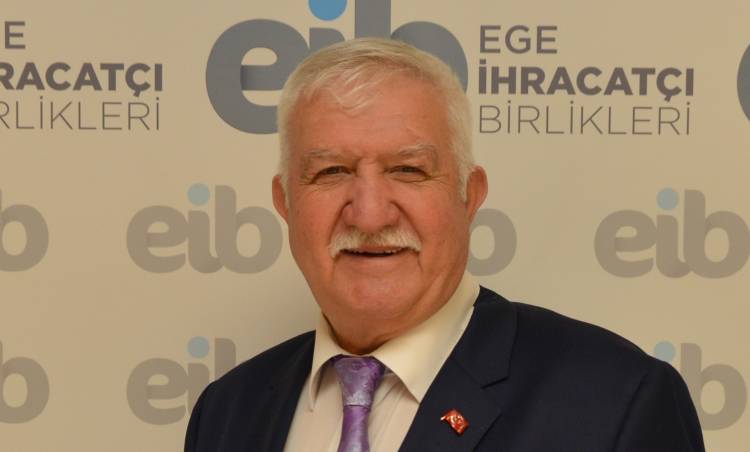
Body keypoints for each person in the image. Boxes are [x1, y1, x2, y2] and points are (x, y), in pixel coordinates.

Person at [185, 38, 704, 452]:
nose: (369, 214)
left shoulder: (615, 402)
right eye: (332, 171)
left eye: (408, 170)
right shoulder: (228, 413)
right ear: (285, 202)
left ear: (468, 196)